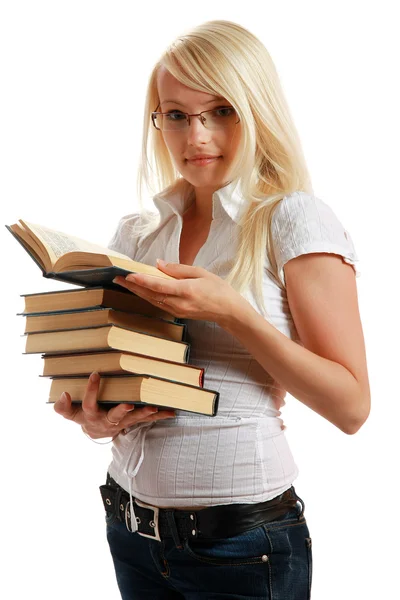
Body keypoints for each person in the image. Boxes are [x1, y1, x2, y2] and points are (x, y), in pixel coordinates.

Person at [53, 19, 370, 600]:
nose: (195, 135)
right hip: (131, 530)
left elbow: (352, 407)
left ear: (255, 111)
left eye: (220, 110)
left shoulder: (292, 220)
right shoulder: (137, 234)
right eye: (175, 114)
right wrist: (93, 417)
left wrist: (235, 313)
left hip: (243, 548)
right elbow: (106, 372)